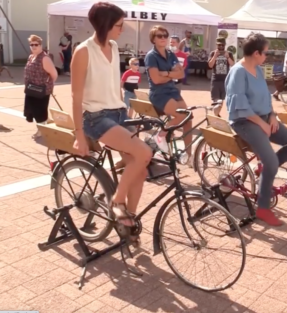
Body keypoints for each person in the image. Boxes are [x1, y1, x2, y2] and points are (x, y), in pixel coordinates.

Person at [71, 2, 152, 241]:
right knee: (144, 153)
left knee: (141, 170)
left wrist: (126, 110)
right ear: (105, 25)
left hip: (118, 114)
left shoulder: (114, 46)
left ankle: (128, 222)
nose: (123, 29)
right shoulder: (83, 52)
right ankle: (117, 200)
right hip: (96, 118)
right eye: (119, 24)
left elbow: (113, 84)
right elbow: (75, 97)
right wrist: (78, 135)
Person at [226, 33, 287, 226]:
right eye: (266, 53)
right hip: (244, 121)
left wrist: (271, 116)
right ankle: (262, 207)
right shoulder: (238, 72)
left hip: (263, 118)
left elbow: (266, 97)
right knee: (271, 163)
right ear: (256, 53)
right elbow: (239, 105)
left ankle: (267, 170)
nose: (267, 56)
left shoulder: (258, 70)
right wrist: (261, 123)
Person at [144, 25, 193, 157]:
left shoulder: (170, 54)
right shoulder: (151, 56)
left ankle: (189, 154)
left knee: (188, 118)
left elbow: (181, 74)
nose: (163, 38)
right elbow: (156, 80)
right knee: (181, 116)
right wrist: (172, 74)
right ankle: (160, 136)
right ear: (153, 39)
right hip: (159, 94)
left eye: (165, 35)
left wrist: (165, 73)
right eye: (159, 36)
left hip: (172, 91)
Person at [24, 34, 58, 138]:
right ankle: (44, 125)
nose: (34, 46)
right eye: (31, 44)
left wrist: (48, 85)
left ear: (40, 45)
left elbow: (54, 74)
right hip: (31, 89)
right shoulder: (31, 57)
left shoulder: (44, 58)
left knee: (40, 111)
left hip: (41, 91)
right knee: (33, 110)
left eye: (36, 44)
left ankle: (42, 130)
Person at [208, 37, 234, 103]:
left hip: (225, 80)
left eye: (222, 45)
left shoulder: (229, 53)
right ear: (216, 45)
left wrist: (228, 57)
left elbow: (232, 65)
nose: (221, 47)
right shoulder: (213, 53)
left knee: (222, 100)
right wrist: (215, 56)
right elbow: (210, 66)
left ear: (225, 45)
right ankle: (215, 112)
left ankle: (217, 113)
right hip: (215, 80)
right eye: (219, 45)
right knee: (215, 100)